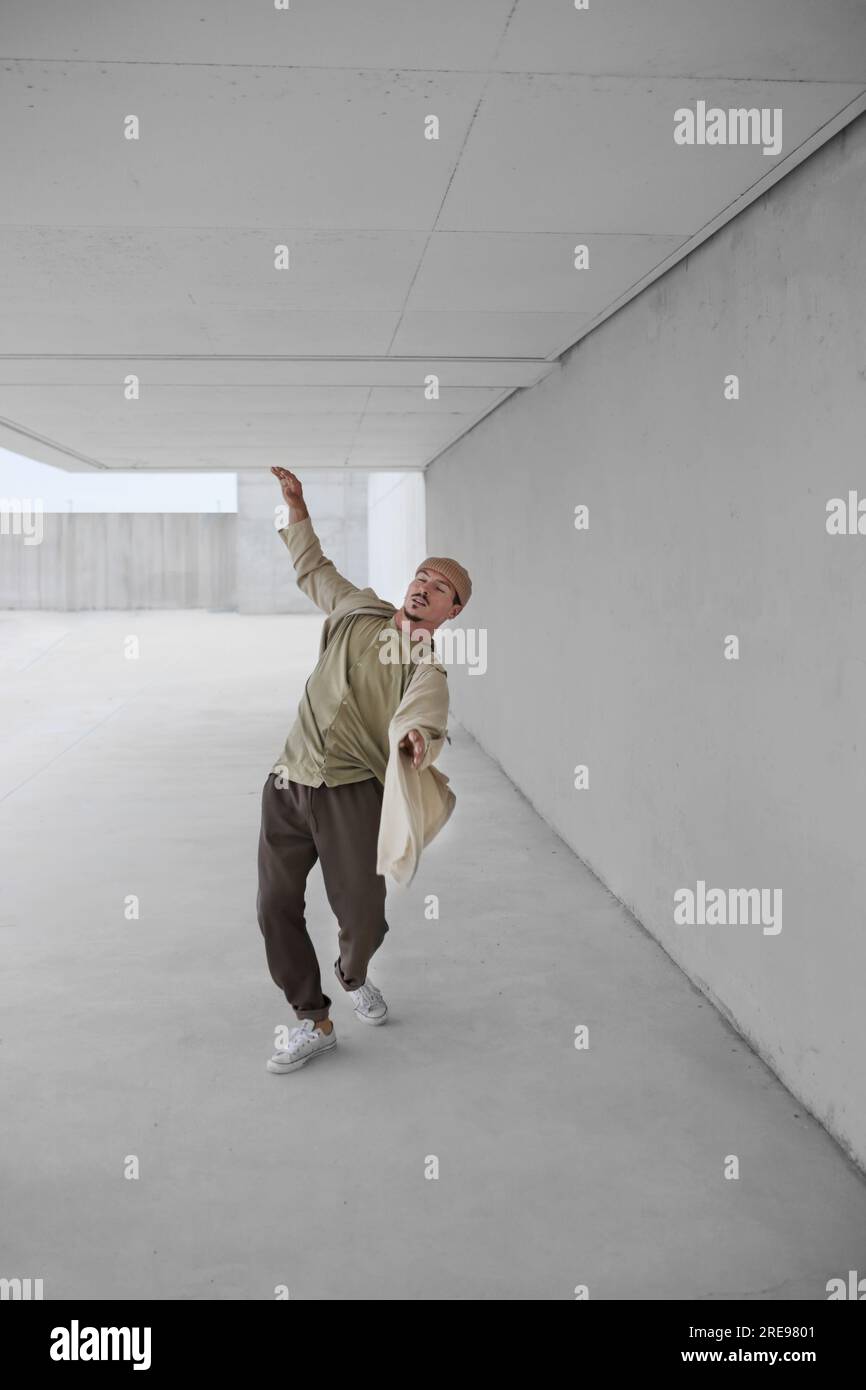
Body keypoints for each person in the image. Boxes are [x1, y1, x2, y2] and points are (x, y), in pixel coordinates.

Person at [257, 467, 472, 1075]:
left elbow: (428, 711)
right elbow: (314, 569)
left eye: (440, 588)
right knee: (274, 905)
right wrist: (297, 508)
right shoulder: (358, 610)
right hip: (287, 781)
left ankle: (353, 976)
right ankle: (313, 1019)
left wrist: (418, 738)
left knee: (363, 918)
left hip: (350, 794)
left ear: (452, 611)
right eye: (422, 576)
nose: (425, 587)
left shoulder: (425, 666)